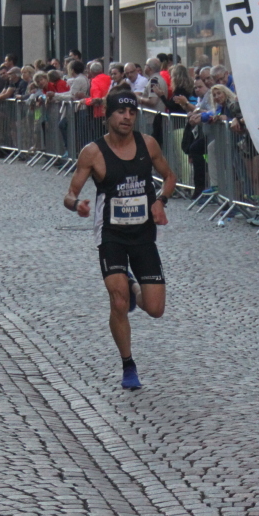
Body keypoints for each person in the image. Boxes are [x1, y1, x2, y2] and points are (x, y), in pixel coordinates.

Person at [63, 89, 176, 391]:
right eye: (120, 112)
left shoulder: (147, 144)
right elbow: (69, 193)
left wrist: (161, 201)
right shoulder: (93, 153)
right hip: (111, 234)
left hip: (142, 235)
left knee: (155, 309)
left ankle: (134, 285)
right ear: (108, 115)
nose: (127, 117)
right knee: (118, 300)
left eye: (132, 112)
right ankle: (128, 364)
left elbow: (169, 176)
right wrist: (78, 205)